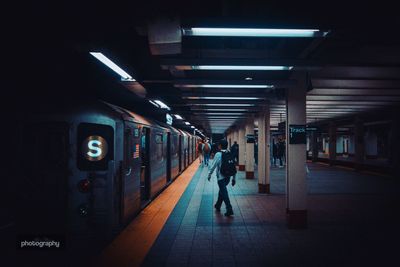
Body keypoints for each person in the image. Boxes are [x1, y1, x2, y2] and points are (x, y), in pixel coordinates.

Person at [207, 140, 236, 216]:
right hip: (228, 177)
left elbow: (213, 165)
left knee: (224, 192)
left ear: (220, 146)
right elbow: (233, 166)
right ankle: (218, 205)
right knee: (222, 191)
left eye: (218, 145)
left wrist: (209, 174)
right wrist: (234, 178)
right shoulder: (229, 153)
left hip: (221, 177)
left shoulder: (218, 154)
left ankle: (229, 208)